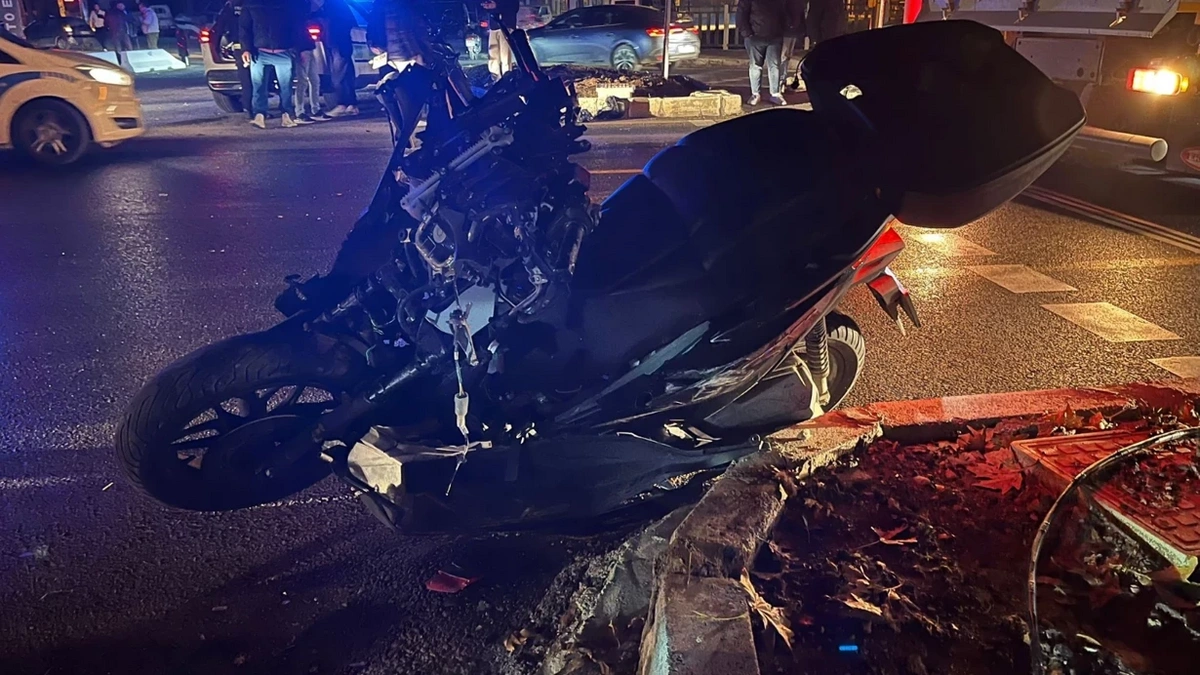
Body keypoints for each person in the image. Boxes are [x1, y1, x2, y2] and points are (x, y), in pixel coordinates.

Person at [240, 0, 305, 128]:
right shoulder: (252, 4)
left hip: (281, 51)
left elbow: (296, 27)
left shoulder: (287, 4)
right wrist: (246, 49)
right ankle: (260, 115)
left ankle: (285, 114)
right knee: (260, 86)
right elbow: (244, 29)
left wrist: (299, 49)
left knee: (285, 87)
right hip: (261, 51)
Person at [736, 0, 803, 106]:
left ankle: (771, 93)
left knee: (769, 65)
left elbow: (741, 14)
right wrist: (747, 33)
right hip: (759, 36)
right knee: (760, 65)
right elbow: (742, 15)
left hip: (770, 36)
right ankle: (758, 93)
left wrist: (747, 33)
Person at [313, 0, 358, 116]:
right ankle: (350, 104)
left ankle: (343, 104)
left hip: (338, 44)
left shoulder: (333, 5)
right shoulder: (334, 5)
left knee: (338, 77)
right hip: (336, 44)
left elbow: (344, 24)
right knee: (345, 76)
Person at [293, 4, 326, 123]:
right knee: (302, 81)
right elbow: (297, 33)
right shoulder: (297, 13)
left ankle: (315, 109)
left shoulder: (303, 14)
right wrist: (300, 50)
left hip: (309, 47)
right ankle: (300, 111)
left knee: (314, 80)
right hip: (303, 49)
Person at [481, 0, 517, 80]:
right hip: (494, 26)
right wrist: (487, 6)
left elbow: (514, 6)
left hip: (506, 25)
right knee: (493, 53)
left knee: (505, 54)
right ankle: (495, 78)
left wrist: (496, 5)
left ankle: (507, 79)